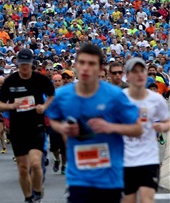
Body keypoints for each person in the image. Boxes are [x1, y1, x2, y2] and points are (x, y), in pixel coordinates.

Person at [47, 44, 143, 203]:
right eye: (82, 63)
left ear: (100, 69)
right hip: (78, 177)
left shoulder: (115, 95)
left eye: (91, 64)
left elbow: (138, 128)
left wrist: (110, 127)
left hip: (109, 178)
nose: (86, 68)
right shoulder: (62, 95)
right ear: (76, 65)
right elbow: (53, 120)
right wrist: (63, 128)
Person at [0, 49, 55, 203]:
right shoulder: (11, 81)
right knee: (23, 168)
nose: (24, 68)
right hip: (18, 129)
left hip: (36, 127)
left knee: (36, 164)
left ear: (31, 64)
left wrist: (44, 107)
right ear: (17, 64)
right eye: (21, 65)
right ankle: (28, 197)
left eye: (27, 65)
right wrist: (11, 106)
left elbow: (51, 95)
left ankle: (37, 192)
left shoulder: (39, 79)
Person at [122, 58, 170, 203]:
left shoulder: (156, 99)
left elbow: (167, 121)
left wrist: (162, 127)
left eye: (141, 71)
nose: (138, 75)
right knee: (129, 199)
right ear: (128, 76)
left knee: (146, 199)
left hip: (149, 158)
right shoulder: (120, 98)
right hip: (126, 159)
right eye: (134, 71)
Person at [49, 74, 67, 175]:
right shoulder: (49, 93)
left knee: (64, 148)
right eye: (55, 81)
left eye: (59, 81)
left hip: (65, 122)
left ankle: (64, 166)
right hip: (53, 122)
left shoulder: (66, 92)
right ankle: (57, 159)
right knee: (54, 147)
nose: (57, 82)